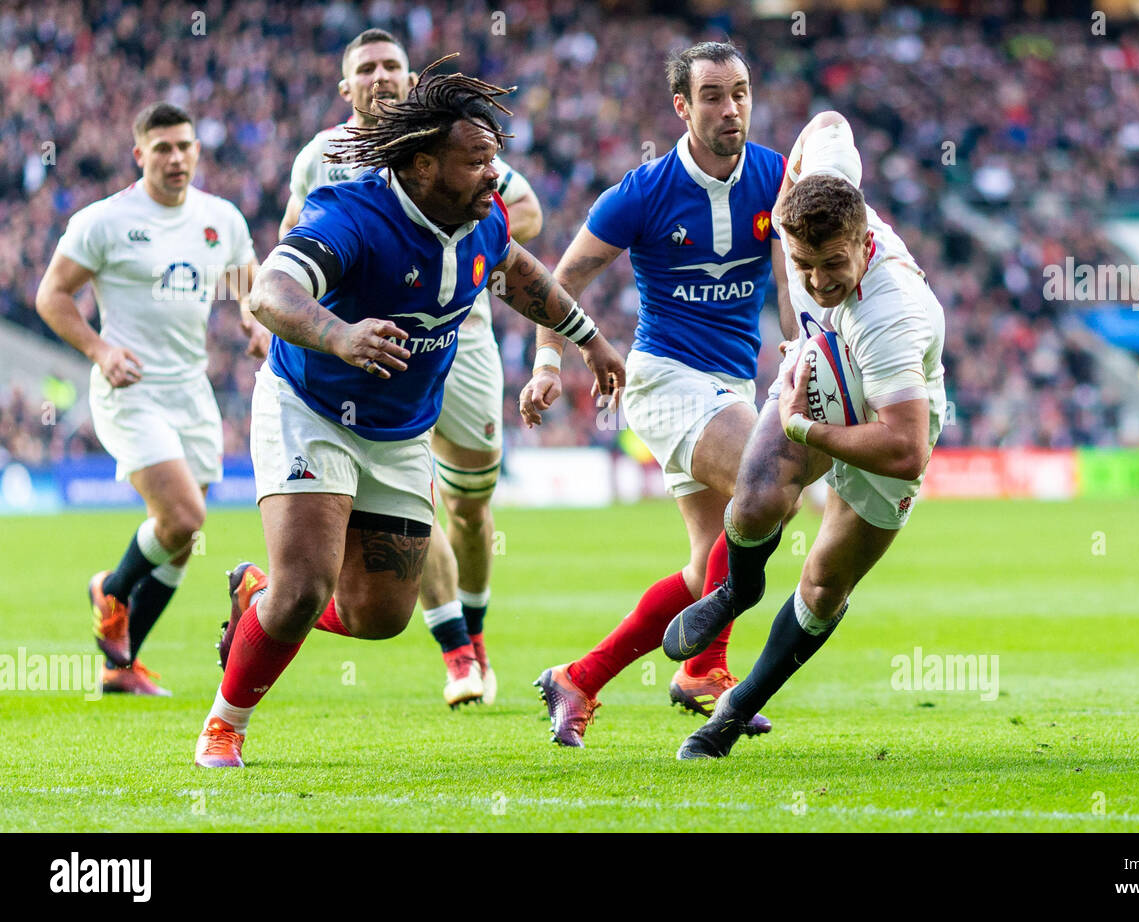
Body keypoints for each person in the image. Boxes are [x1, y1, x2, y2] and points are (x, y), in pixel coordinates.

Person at [194, 60, 624, 768]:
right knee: (306, 587)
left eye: (495, 158)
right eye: (477, 161)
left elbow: (518, 273)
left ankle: (255, 596)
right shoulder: (354, 213)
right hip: (313, 406)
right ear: (423, 165)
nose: (495, 175)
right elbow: (270, 292)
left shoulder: (482, 218)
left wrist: (590, 342)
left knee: (380, 617)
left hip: (399, 430)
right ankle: (225, 725)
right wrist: (340, 334)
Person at [518, 41, 795, 747]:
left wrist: (797, 356)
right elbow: (558, 282)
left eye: (740, 92)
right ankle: (706, 665)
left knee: (710, 562)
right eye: (712, 95)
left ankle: (583, 677)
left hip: (734, 384)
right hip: (664, 379)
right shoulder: (641, 192)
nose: (730, 108)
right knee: (765, 488)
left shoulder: (776, 176)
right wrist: (550, 360)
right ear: (681, 105)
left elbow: (789, 283)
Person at [664, 113, 947, 759]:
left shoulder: (889, 314)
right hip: (822, 365)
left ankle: (732, 713)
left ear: (863, 240)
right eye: (802, 264)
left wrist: (804, 427)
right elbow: (828, 121)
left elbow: (906, 450)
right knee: (756, 499)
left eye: (832, 265)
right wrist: (793, 176)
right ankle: (738, 588)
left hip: (889, 411)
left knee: (822, 586)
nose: (817, 281)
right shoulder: (822, 187)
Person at [280, 28, 546, 708]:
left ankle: (474, 631)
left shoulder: (455, 142)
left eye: (391, 64)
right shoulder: (324, 157)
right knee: (413, 486)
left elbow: (528, 212)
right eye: (365, 68)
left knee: (471, 505)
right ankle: (458, 650)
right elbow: (290, 240)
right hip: (374, 346)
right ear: (347, 88)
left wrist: (464, 240)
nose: (380, 76)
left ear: (409, 76)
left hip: (464, 334)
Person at [35, 102, 268, 697]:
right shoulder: (104, 221)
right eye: (162, 148)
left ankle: (122, 666)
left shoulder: (221, 218)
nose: (175, 157)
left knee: (182, 538)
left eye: (184, 146)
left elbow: (248, 283)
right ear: (139, 155)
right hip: (130, 389)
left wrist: (252, 321)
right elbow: (52, 296)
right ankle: (110, 589)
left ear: (197, 151)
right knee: (186, 517)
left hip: (193, 392)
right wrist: (99, 349)